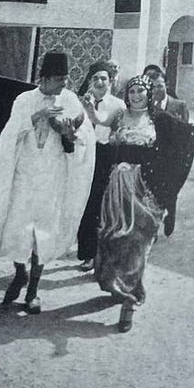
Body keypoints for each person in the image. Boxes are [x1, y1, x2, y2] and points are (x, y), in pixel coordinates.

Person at [0, 51, 96, 313]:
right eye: (59, 78)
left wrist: (70, 134)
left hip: (52, 175)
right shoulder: (24, 100)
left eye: (66, 78)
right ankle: (19, 274)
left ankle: (33, 291)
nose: (64, 84)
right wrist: (38, 115)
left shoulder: (70, 101)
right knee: (18, 228)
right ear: (45, 78)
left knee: (43, 232)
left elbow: (83, 140)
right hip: (25, 175)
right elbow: (9, 134)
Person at [94, 74, 194, 332]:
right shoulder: (119, 116)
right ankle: (122, 286)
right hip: (115, 189)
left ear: (148, 94)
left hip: (142, 188)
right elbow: (100, 122)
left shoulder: (157, 118)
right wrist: (87, 107)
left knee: (137, 243)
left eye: (140, 91)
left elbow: (186, 134)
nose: (135, 95)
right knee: (112, 240)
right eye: (131, 91)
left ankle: (128, 303)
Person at [76, 63, 124, 267]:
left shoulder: (118, 105)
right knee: (85, 203)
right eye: (95, 78)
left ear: (111, 81)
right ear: (89, 81)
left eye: (103, 78)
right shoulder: (79, 104)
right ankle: (87, 253)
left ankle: (102, 252)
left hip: (106, 156)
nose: (99, 82)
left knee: (103, 204)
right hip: (84, 154)